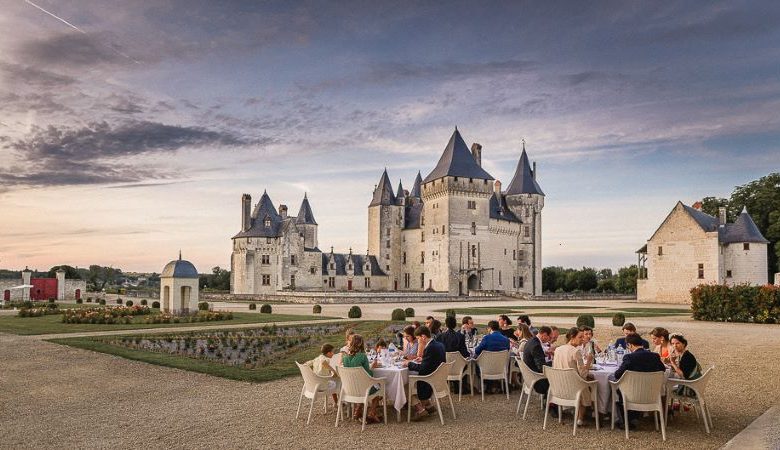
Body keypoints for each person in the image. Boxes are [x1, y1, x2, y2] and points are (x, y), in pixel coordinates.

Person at [609, 333, 666, 429]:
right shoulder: (655, 356)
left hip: (632, 396)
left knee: (616, 388)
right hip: (651, 394)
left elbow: (618, 374)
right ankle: (635, 416)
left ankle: (625, 420)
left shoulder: (629, 358)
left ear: (629, 345)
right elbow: (662, 370)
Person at [553, 327, 594, 425]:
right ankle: (582, 417)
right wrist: (588, 361)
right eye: (580, 337)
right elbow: (583, 374)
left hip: (559, 386)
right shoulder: (576, 352)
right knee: (592, 384)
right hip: (574, 388)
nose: (583, 339)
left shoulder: (558, 349)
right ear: (572, 337)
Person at [404, 326, 446, 420]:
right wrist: (423, 359)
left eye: (418, 339)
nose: (418, 341)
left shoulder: (430, 348)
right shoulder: (439, 345)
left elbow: (422, 369)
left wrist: (409, 364)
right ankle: (428, 405)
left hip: (430, 380)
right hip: (438, 378)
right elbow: (434, 361)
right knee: (408, 381)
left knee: (404, 384)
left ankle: (420, 409)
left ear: (423, 337)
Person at [341, 334, 382, 423]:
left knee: (361, 387)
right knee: (378, 387)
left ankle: (357, 410)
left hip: (350, 389)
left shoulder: (345, 358)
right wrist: (372, 367)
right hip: (364, 389)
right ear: (361, 344)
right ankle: (372, 413)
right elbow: (368, 374)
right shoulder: (362, 356)